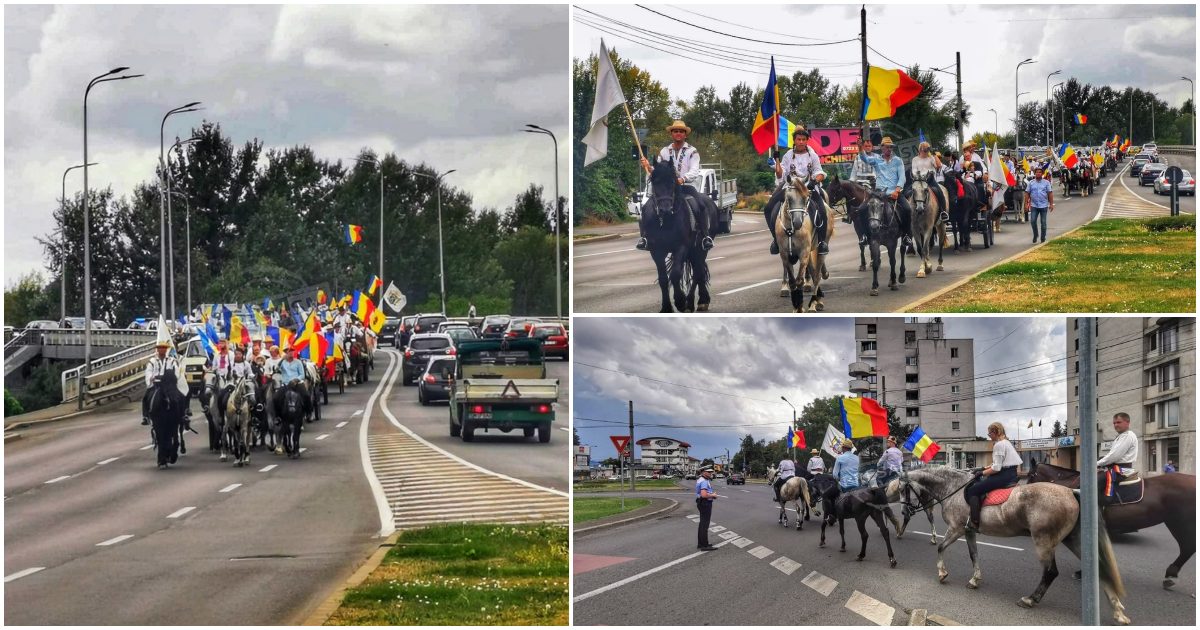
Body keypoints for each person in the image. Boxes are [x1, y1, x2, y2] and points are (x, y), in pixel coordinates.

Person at [636, 120, 714, 252]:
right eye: (675, 131)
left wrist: (682, 179)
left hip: (686, 187)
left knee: (700, 204)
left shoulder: (692, 151)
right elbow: (658, 170)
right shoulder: (665, 151)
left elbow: (695, 170)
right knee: (646, 207)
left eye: (681, 131)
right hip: (667, 189)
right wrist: (648, 166)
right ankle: (645, 237)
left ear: (685, 134)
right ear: (671, 134)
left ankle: (706, 236)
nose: (678, 133)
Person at [768, 127, 828, 255]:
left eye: (803, 140)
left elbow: (820, 173)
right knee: (769, 207)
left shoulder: (813, 155)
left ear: (807, 141)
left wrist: (815, 181)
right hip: (790, 188)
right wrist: (776, 162)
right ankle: (775, 240)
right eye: (798, 139)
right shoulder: (788, 155)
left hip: (808, 188)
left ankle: (822, 242)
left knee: (822, 210)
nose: (801, 142)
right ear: (794, 141)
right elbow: (781, 174)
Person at [964, 422, 1021, 531]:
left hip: (1004, 476)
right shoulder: (1006, 442)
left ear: (995, 432)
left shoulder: (998, 445)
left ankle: (974, 522)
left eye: (989, 433)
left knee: (973, 490)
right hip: (1012, 473)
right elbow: (997, 464)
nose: (988, 435)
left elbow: (997, 468)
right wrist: (983, 468)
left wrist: (981, 473)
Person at [858, 137, 913, 247]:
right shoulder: (877, 159)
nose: (889, 149)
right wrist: (860, 147)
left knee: (907, 209)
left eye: (891, 147)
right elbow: (865, 159)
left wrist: (897, 191)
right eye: (887, 147)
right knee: (861, 209)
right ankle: (864, 235)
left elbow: (902, 178)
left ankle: (906, 235)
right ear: (882, 148)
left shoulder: (898, 160)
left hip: (895, 193)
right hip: (879, 194)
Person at [141, 335, 191, 426]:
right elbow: (148, 372)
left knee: (181, 396)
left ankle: (184, 414)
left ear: (166, 349)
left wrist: (172, 379)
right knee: (146, 397)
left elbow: (176, 372)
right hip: (156, 385)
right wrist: (151, 378)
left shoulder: (171, 361)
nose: (162, 350)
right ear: (157, 349)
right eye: (160, 348)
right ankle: (146, 416)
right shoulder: (152, 361)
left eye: (164, 348)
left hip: (169, 385)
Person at [1096, 412, 1138, 504]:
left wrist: (1096, 464)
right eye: (1114, 423)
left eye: (1118, 422)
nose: (1115, 425)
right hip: (1117, 468)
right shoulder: (1122, 436)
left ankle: (1101, 508)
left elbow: (1113, 457)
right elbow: (1111, 455)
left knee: (1091, 482)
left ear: (1127, 422)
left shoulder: (1127, 436)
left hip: (1120, 470)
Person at [910, 142, 949, 221]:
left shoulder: (931, 158)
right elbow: (914, 170)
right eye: (925, 150)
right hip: (918, 180)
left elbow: (939, 166)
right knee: (907, 192)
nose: (926, 152)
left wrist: (934, 154)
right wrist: (918, 176)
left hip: (930, 180)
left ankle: (943, 212)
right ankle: (909, 213)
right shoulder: (915, 159)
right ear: (920, 149)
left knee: (939, 192)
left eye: (928, 150)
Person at [1024, 166, 1055, 244]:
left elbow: (1050, 193)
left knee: (1043, 223)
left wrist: (1051, 204)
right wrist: (1025, 204)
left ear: (1042, 174)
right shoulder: (1031, 183)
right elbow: (1027, 193)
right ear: (1035, 173)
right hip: (1034, 205)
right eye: (1037, 172)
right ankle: (1035, 234)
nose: (1038, 173)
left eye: (1040, 172)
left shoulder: (1046, 183)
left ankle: (1042, 237)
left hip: (1043, 205)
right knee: (1033, 221)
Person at [277, 345, 311, 414]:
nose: (291, 353)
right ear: (286, 353)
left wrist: (296, 380)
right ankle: (278, 415)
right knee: (276, 398)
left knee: (306, 395)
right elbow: (277, 368)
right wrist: (282, 359)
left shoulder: (298, 362)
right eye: (289, 351)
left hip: (297, 384)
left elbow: (302, 375)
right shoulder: (282, 363)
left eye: (292, 351)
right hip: (286, 384)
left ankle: (308, 412)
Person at [695, 467, 718, 551]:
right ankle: (705, 546)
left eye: (711, 472)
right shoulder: (704, 481)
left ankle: (701, 544)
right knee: (705, 525)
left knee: (702, 524)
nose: (710, 473)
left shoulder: (701, 479)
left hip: (702, 502)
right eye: (708, 472)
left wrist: (711, 494)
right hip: (705, 503)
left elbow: (703, 493)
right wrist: (713, 495)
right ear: (703, 472)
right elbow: (704, 495)